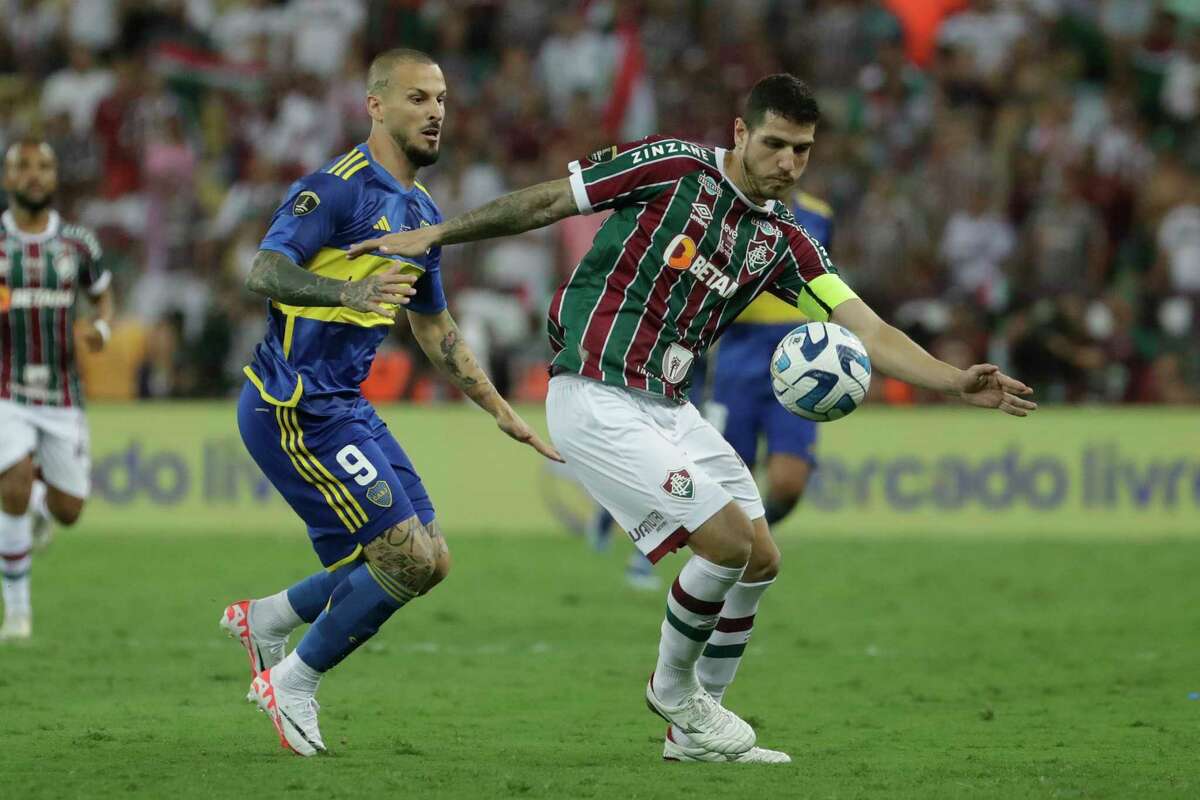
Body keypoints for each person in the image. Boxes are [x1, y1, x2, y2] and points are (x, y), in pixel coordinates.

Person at [349, 73, 1036, 764]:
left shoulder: (784, 243)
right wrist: (438, 232)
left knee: (762, 558)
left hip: (670, 408)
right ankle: (673, 692)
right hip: (596, 394)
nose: (788, 164)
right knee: (727, 544)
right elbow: (549, 202)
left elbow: (871, 329)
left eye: (802, 151)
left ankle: (692, 735)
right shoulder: (673, 166)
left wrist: (952, 379)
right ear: (741, 133)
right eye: (775, 144)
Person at [220, 48, 560, 757]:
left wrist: (500, 409)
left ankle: (268, 618)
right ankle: (293, 683)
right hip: (295, 406)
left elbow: (433, 325)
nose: (436, 112)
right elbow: (264, 269)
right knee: (400, 560)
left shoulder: (422, 212)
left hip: (344, 405)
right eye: (417, 99)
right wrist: (347, 291)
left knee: (431, 560)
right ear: (375, 106)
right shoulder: (336, 189)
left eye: (441, 99)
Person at [585, 188, 835, 588]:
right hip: (738, 352)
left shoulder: (820, 214)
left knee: (788, 485)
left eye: (797, 150)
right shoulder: (729, 210)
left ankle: (738, 546)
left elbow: (823, 282)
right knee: (709, 475)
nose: (785, 161)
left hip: (800, 353)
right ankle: (647, 551)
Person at [0, 139, 114, 641]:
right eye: (22, 166)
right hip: (5, 388)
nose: (33, 175)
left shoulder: (78, 244)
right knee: (14, 483)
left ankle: (43, 506)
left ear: (54, 177)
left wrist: (102, 330)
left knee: (69, 510)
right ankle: (18, 612)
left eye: (43, 166)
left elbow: (102, 295)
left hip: (63, 396)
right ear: (7, 179)